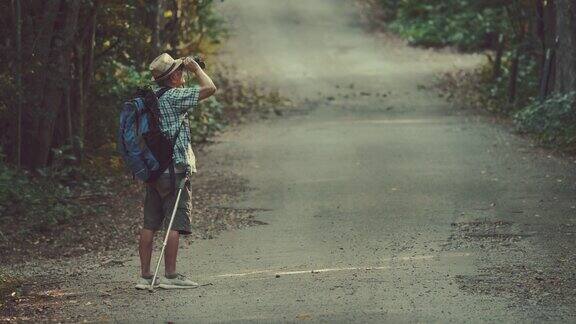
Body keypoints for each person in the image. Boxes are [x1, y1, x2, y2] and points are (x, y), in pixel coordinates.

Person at [135, 53, 217, 290]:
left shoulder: (152, 98)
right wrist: (196, 69)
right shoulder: (174, 97)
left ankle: (145, 276)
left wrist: (188, 69)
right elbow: (210, 88)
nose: (182, 74)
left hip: (153, 169)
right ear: (171, 78)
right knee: (173, 223)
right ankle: (170, 276)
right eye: (178, 72)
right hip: (174, 170)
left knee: (150, 223)